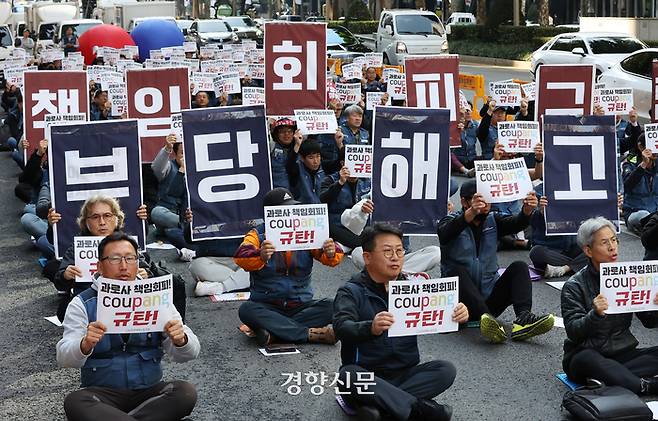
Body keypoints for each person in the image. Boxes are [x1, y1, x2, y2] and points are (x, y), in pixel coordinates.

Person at [57, 232, 200, 421]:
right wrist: (84, 345)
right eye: (115, 259)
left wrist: (181, 340)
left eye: (130, 258)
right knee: (75, 401)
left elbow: (190, 353)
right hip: (102, 395)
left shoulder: (155, 298)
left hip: (149, 392)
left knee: (185, 392)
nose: (124, 266)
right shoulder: (82, 303)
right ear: (99, 266)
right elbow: (64, 358)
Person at [333, 223, 468, 421]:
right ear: (367, 257)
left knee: (445, 370)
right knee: (348, 376)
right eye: (387, 252)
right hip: (367, 375)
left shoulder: (413, 288)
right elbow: (341, 327)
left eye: (399, 251)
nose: (396, 257)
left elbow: (441, 321)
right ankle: (417, 410)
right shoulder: (351, 291)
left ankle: (382, 408)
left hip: (405, 373)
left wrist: (459, 318)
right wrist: (370, 327)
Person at [437, 179, 554, 343]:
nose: (484, 204)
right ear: (464, 201)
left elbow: (516, 223)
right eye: (478, 200)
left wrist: (527, 211)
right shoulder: (450, 220)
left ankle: (523, 319)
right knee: (456, 271)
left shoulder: (493, 220)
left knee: (519, 266)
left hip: (489, 298)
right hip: (460, 304)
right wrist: (470, 213)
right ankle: (487, 321)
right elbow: (445, 233)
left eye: (487, 200)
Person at [234, 187, 344, 346]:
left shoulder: (305, 231)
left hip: (301, 304)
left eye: (292, 208)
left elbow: (332, 258)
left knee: (335, 305)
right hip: (267, 305)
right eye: (284, 209)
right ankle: (308, 334)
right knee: (246, 310)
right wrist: (261, 255)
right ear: (270, 214)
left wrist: (331, 251)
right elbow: (240, 256)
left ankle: (276, 332)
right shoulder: (257, 235)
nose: (290, 213)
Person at [561, 217, 658, 395]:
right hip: (587, 354)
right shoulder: (574, 285)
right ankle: (644, 386)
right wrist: (595, 314)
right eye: (604, 243)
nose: (612, 247)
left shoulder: (629, 277)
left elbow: (649, 322)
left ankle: (610, 378)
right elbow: (573, 331)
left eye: (614, 240)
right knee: (586, 360)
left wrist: (654, 304)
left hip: (623, 354)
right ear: (588, 250)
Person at [340, 195, 442, 274]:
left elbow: (433, 222)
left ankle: (398, 275)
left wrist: (444, 211)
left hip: (401, 258)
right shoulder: (372, 197)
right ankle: (401, 276)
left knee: (435, 252)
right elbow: (347, 222)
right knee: (357, 253)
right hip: (378, 257)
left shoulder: (414, 200)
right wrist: (361, 212)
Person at [151, 134, 195, 261]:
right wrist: (167, 148)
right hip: (168, 212)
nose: (186, 157)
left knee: (173, 231)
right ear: (175, 154)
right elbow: (157, 168)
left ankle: (183, 233)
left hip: (189, 216)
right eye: (182, 153)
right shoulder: (170, 166)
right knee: (156, 213)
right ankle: (186, 229)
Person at [529, 196, 587, 278]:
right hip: (553, 251)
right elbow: (533, 223)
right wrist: (542, 212)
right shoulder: (543, 192)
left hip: (575, 248)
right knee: (536, 252)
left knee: (595, 247)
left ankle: (566, 269)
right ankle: (579, 265)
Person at [320, 165, 371, 251]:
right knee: (362, 243)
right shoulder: (330, 180)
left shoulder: (368, 180)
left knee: (375, 238)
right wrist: (340, 183)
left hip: (360, 223)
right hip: (337, 223)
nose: (355, 166)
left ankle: (341, 247)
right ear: (343, 162)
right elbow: (322, 200)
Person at [621, 133, 658, 235]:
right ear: (641, 146)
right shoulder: (629, 164)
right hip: (636, 212)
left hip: (655, 212)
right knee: (644, 215)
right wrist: (643, 165)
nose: (655, 151)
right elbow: (627, 186)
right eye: (652, 146)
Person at [286, 138, 325, 204]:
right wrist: (297, 145)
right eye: (311, 157)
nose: (315, 161)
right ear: (302, 158)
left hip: (322, 211)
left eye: (318, 156)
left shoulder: (324, 169)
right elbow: (290, 165)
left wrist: (339, 144)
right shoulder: (297, 170)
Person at [269, 118, 297, 190]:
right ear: (276, 134)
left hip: (295, 196)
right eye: (282, 131)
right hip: (276, 193)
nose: (286, 134)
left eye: (290, 131)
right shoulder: (271, 147)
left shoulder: (300, 147)